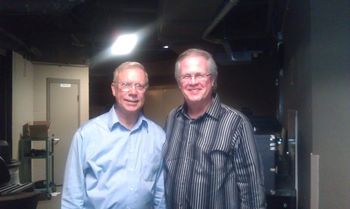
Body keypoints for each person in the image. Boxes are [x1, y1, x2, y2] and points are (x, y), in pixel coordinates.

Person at [163, 48, 266, 209]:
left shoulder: (236, 123)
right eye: (186, 76)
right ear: (179, 83)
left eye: (200, 75)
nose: (193, 82)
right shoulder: (172, 119)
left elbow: (252, 192)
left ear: (213, 80)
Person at [61, 62, 166, 209]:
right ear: (114, 89)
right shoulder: (87, 134)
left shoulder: (158, 137)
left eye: (139, 86)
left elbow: (160, 196)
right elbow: (72, 195)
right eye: (126, 85)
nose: (133, 92)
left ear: (145, 91)